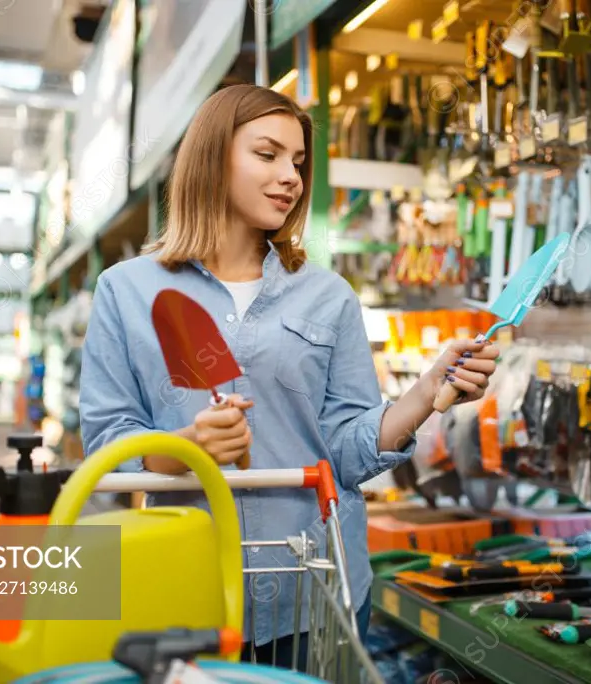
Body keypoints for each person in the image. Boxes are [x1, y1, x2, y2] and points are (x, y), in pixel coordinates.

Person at [79, 84, 499, 668]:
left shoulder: (328, 296)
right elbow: (105, 443)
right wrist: (187, 448)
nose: (292, 178)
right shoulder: (127, 291)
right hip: (186, 589)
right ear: (212, 156)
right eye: (268, 154)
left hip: (315, 590)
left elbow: (345, 452)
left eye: (298, 162)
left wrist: (425, 395)